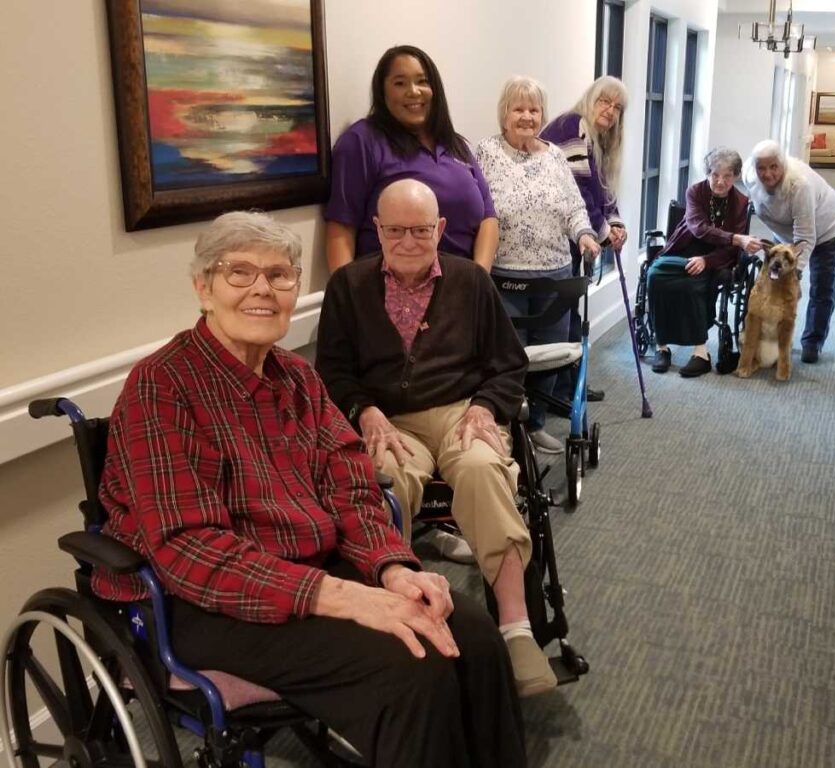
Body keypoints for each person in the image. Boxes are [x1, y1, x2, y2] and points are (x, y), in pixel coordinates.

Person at [91, 211, 526, 767]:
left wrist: (393, 568)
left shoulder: (297, 379)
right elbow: (190, 549)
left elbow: (354, 489)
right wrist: (349, 598)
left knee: (474, 634)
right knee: (411, 668)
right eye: (239, 273)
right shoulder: (162, 387)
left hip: (309, 570)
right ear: (203, 288)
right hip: (205, 601)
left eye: (280, 275)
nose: (262, 290)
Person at [316, 179, 558, 698]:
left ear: (441, 229)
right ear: (376, 229)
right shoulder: (348, 286)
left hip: (459, 411)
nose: (408, 241)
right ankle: (398, 617)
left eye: (421, 230)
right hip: (390, 420)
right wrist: (364, 410)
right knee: (381, 480)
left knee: (481, 467)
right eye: (396, 230)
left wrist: (485, 407)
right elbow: (333, 371)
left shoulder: (471, 281)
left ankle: (515, 628)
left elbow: (508, 363)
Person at [475, 76, 601, 454]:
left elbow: (573, 207)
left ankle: (537, 425)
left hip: (555, 275)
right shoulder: (485, 153)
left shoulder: (556, 156)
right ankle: (507, 428)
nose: (527, 116)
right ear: (504, 114)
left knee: (548, 356)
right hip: (504, 276)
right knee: (510, 359)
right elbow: (475, 207)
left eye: (534, 109)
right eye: (519, 108)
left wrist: (584, 234)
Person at [323, 45, 498, 272]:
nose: (413, 91)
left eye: (422, 81)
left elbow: (488, 217)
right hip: (390, 296)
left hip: (461, 294)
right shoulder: (362, 141)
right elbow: (341, 228)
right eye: (400, 83)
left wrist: (478, 280)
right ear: (382, 91)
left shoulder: (456, 144)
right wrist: (346, 297)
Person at [539, 75, 630, 402]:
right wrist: (605, 234)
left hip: (574, 237)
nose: (610, 110)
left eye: (617, 107)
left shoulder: (599, 139)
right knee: (563, 317)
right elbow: (576, 192)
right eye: (604, 101)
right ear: (590, 99)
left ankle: (566, 389)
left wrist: (615, 222)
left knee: (568, 314)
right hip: (557, 238)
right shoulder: (573, 126)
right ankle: (562, 393)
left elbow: (601, 190)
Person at [646, 148, 762, 377]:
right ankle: (662, 347)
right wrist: (734, 237)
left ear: (736, 176)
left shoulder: (740, 203)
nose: (720, 181)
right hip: (683, 249)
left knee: (693, 283)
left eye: (727, 176)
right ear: (708, 173)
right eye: (715, 175)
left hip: (716, 258)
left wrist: (706, 261)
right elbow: (698, 228)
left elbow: (731, 249)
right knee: (655, 274)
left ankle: (701, 353)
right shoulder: (695, 192)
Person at [743, 139, 835, 363]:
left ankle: (812, 342)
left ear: (783, 165)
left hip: (826, 231)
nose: (767, 174)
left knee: (822, 286)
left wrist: (795, 273)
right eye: (761, 167)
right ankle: (771, 338)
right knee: (772, 285)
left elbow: (805, 238)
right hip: (784, 234)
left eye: (773, 167)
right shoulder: (750, 178)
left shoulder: (799, 186)